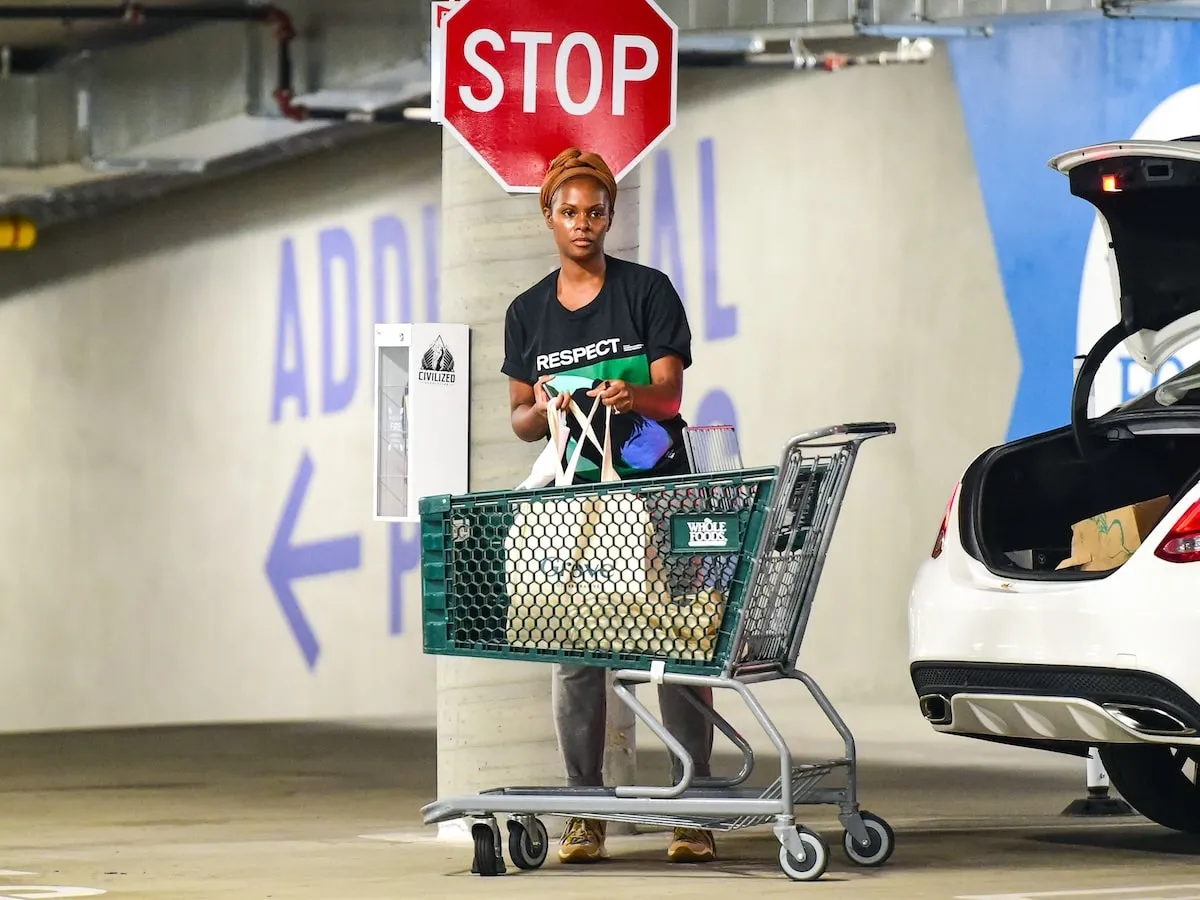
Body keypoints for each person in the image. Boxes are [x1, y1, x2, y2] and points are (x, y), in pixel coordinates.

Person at [501, 147, 718, 865]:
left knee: (675, 642)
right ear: (549, 218)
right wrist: (541, 405)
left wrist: (634, 397)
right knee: (574, 651)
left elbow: (670, 394)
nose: (583, 223)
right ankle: (584, 808)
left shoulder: (646, 290)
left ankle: (694, 811)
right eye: (569, 212)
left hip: (655, 487)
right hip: (578, 503)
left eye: (595, 211)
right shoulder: (527, 313)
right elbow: (519, 418)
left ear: (609, 217)